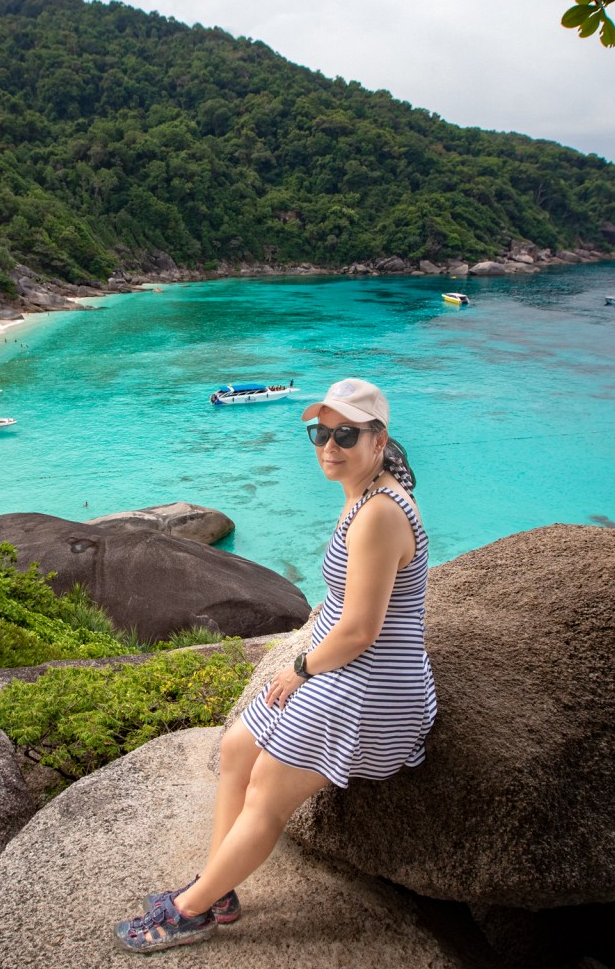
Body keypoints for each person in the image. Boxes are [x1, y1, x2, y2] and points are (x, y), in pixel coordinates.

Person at [114, 378, 435, 954]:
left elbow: (361, 630)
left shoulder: (380, 515)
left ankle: (190, 911)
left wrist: (301, 668)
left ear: (379, 439)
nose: (329, 446)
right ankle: (220, 885)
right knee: (239, 747)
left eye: (346, 435)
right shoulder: (365, 493)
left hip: (373, 685)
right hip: (348, 667)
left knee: (266, 788)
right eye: (320, 433)